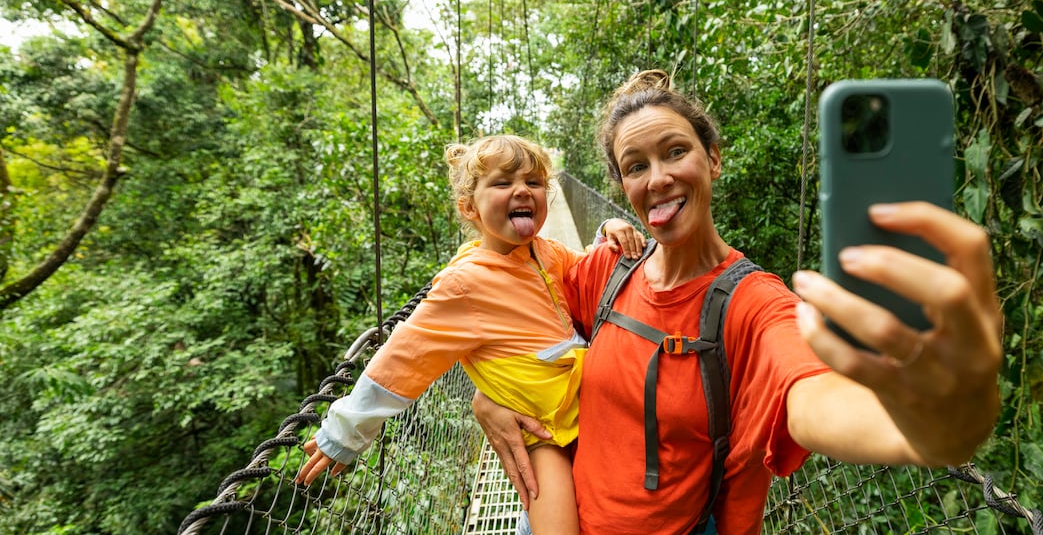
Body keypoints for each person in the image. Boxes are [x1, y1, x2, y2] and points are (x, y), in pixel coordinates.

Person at [473, 71, 1003, 534]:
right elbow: (505, 316)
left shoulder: (753, 304)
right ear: (624, 186)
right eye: (635, 166)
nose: (658, 178)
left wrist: (929, 429)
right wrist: (491, 394)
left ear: (714, 159)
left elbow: (811, 394)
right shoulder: (605, 271)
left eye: (675, 151)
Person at [295, 134, 645, 535]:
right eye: (502, 183)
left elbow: (587, 270)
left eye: (534, 183)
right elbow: (401, 357)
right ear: (469, 207)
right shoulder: (463, 284)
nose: (522, 190)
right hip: (540, 433)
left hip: (586, 411)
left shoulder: (546, 252)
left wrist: (608, 230)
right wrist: (344, 433)